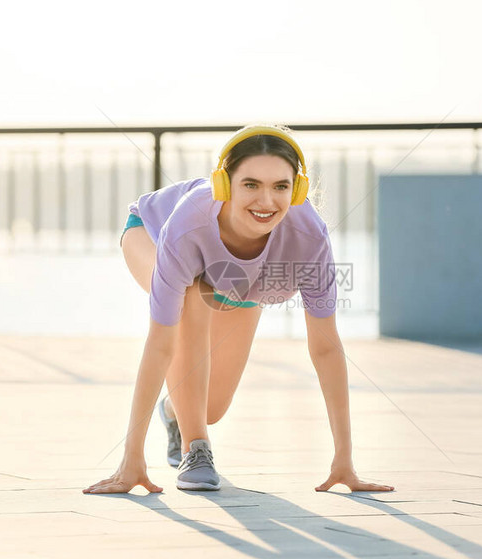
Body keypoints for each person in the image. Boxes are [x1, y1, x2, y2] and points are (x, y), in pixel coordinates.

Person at [83, 125, 394, 494]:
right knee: (192, 297)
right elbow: (161, 342)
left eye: (280, 186)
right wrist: (131, 459)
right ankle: (196, 450)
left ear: (297, 190)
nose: (266, 201)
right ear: (224, 184)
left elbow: (326, 347)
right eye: (251, 184)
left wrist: (345, 460)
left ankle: (174, 414)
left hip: (241, 280)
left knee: (210, 408)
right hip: (151, 234)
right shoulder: (187, 225)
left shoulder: (309, 237)